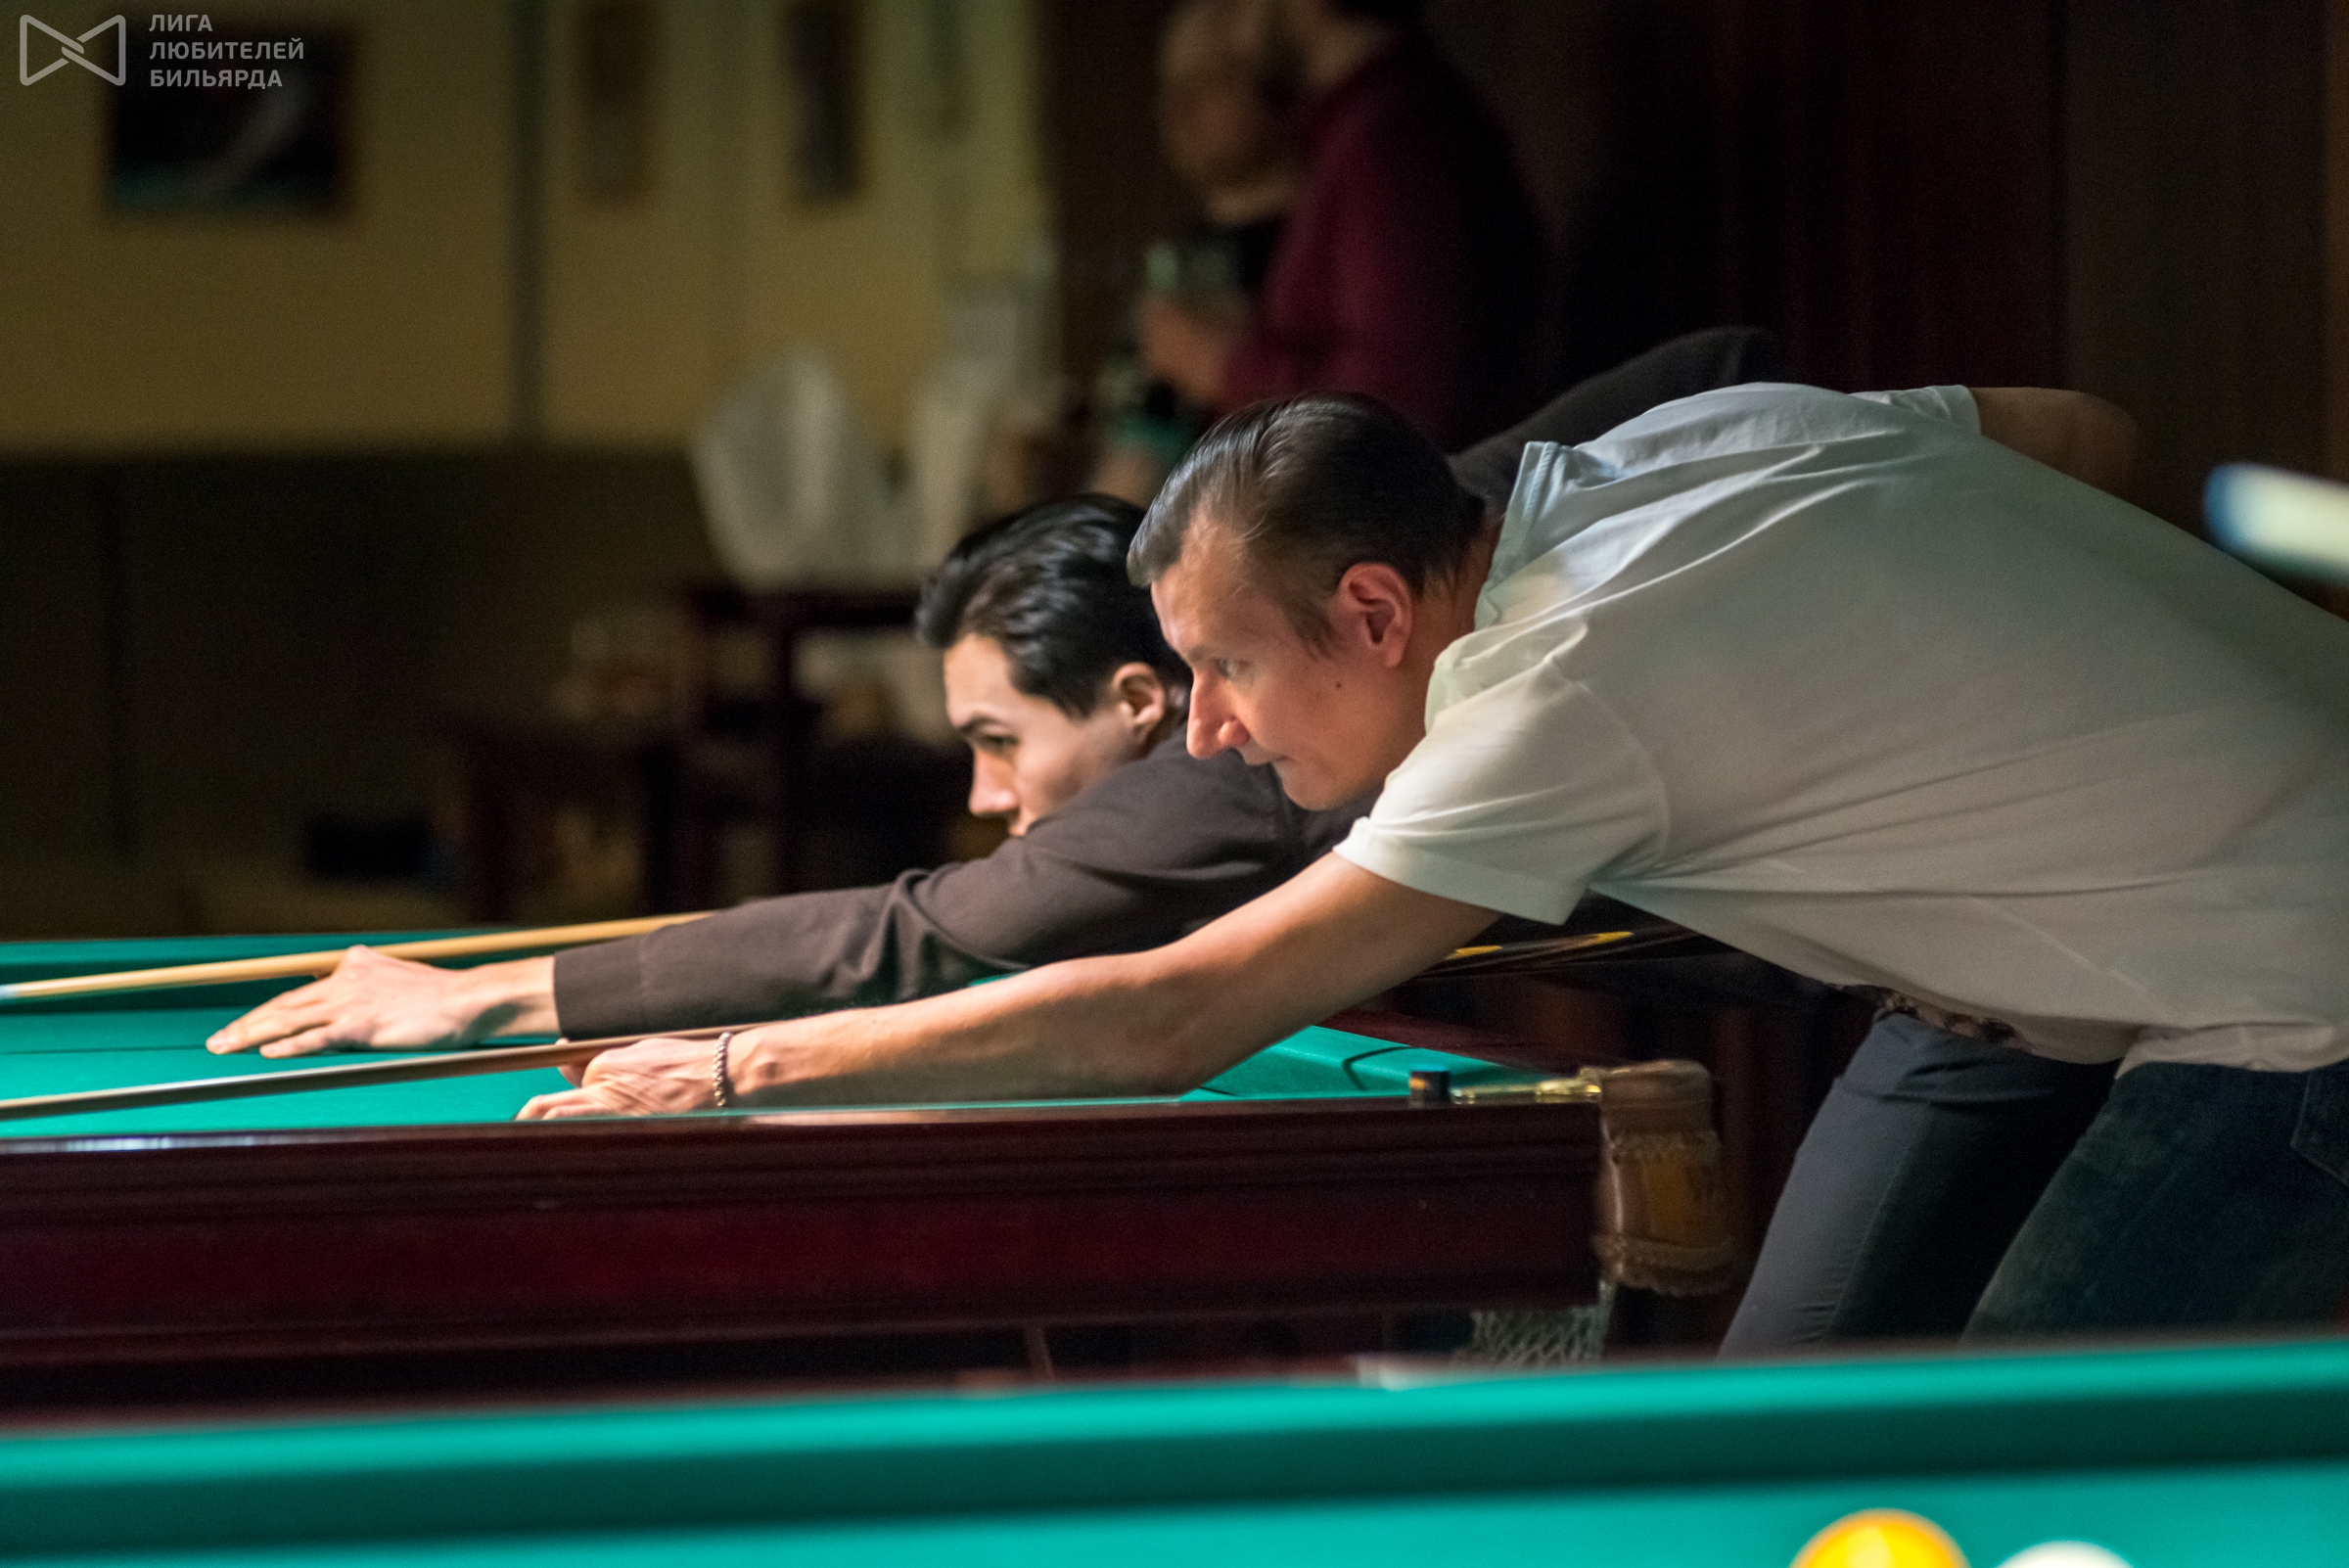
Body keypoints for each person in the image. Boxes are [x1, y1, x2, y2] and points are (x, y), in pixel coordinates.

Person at [526, 379, 2349, 1341]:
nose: (1210, 731)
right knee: (1819, 1446)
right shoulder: (1678, 442)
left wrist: (748, 1063)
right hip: (2099, 972)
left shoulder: (1548, 698)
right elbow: (2078, 431)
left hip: (2298, 995)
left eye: (1227, 670)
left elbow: (1175, 1014)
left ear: (1378, 609)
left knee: (2040, 1474)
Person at [207, 329, 1786, 1062]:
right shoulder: (1427, 532)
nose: (982, 796)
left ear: (1146, 696)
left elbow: (912, 936)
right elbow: (1720, 359)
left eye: (997, 739)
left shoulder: (1228, 759)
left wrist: (495, 993)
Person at [1139, 0, 1544, 450]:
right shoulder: (1361, 133)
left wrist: (1222, 365)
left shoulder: (1392, 135)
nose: (1240, 19)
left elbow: (1397, 402)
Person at [1091, 0, 1302, 506]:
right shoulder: (1177, 257)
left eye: (1211, 81)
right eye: (1169, 86)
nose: (1178, 107)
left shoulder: (1311, 253)